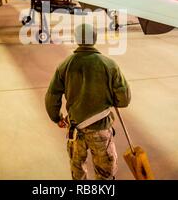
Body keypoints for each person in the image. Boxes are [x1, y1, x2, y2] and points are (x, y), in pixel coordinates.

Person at [45, 23, 131, 180]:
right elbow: (124, 100)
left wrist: (57, 117)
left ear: (76, 39)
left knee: (78, 172)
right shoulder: (109, 65)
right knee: (105, 173)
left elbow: (52, 96)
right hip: (101, 131)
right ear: (95, 38)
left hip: (75, 131)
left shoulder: (65, 65)